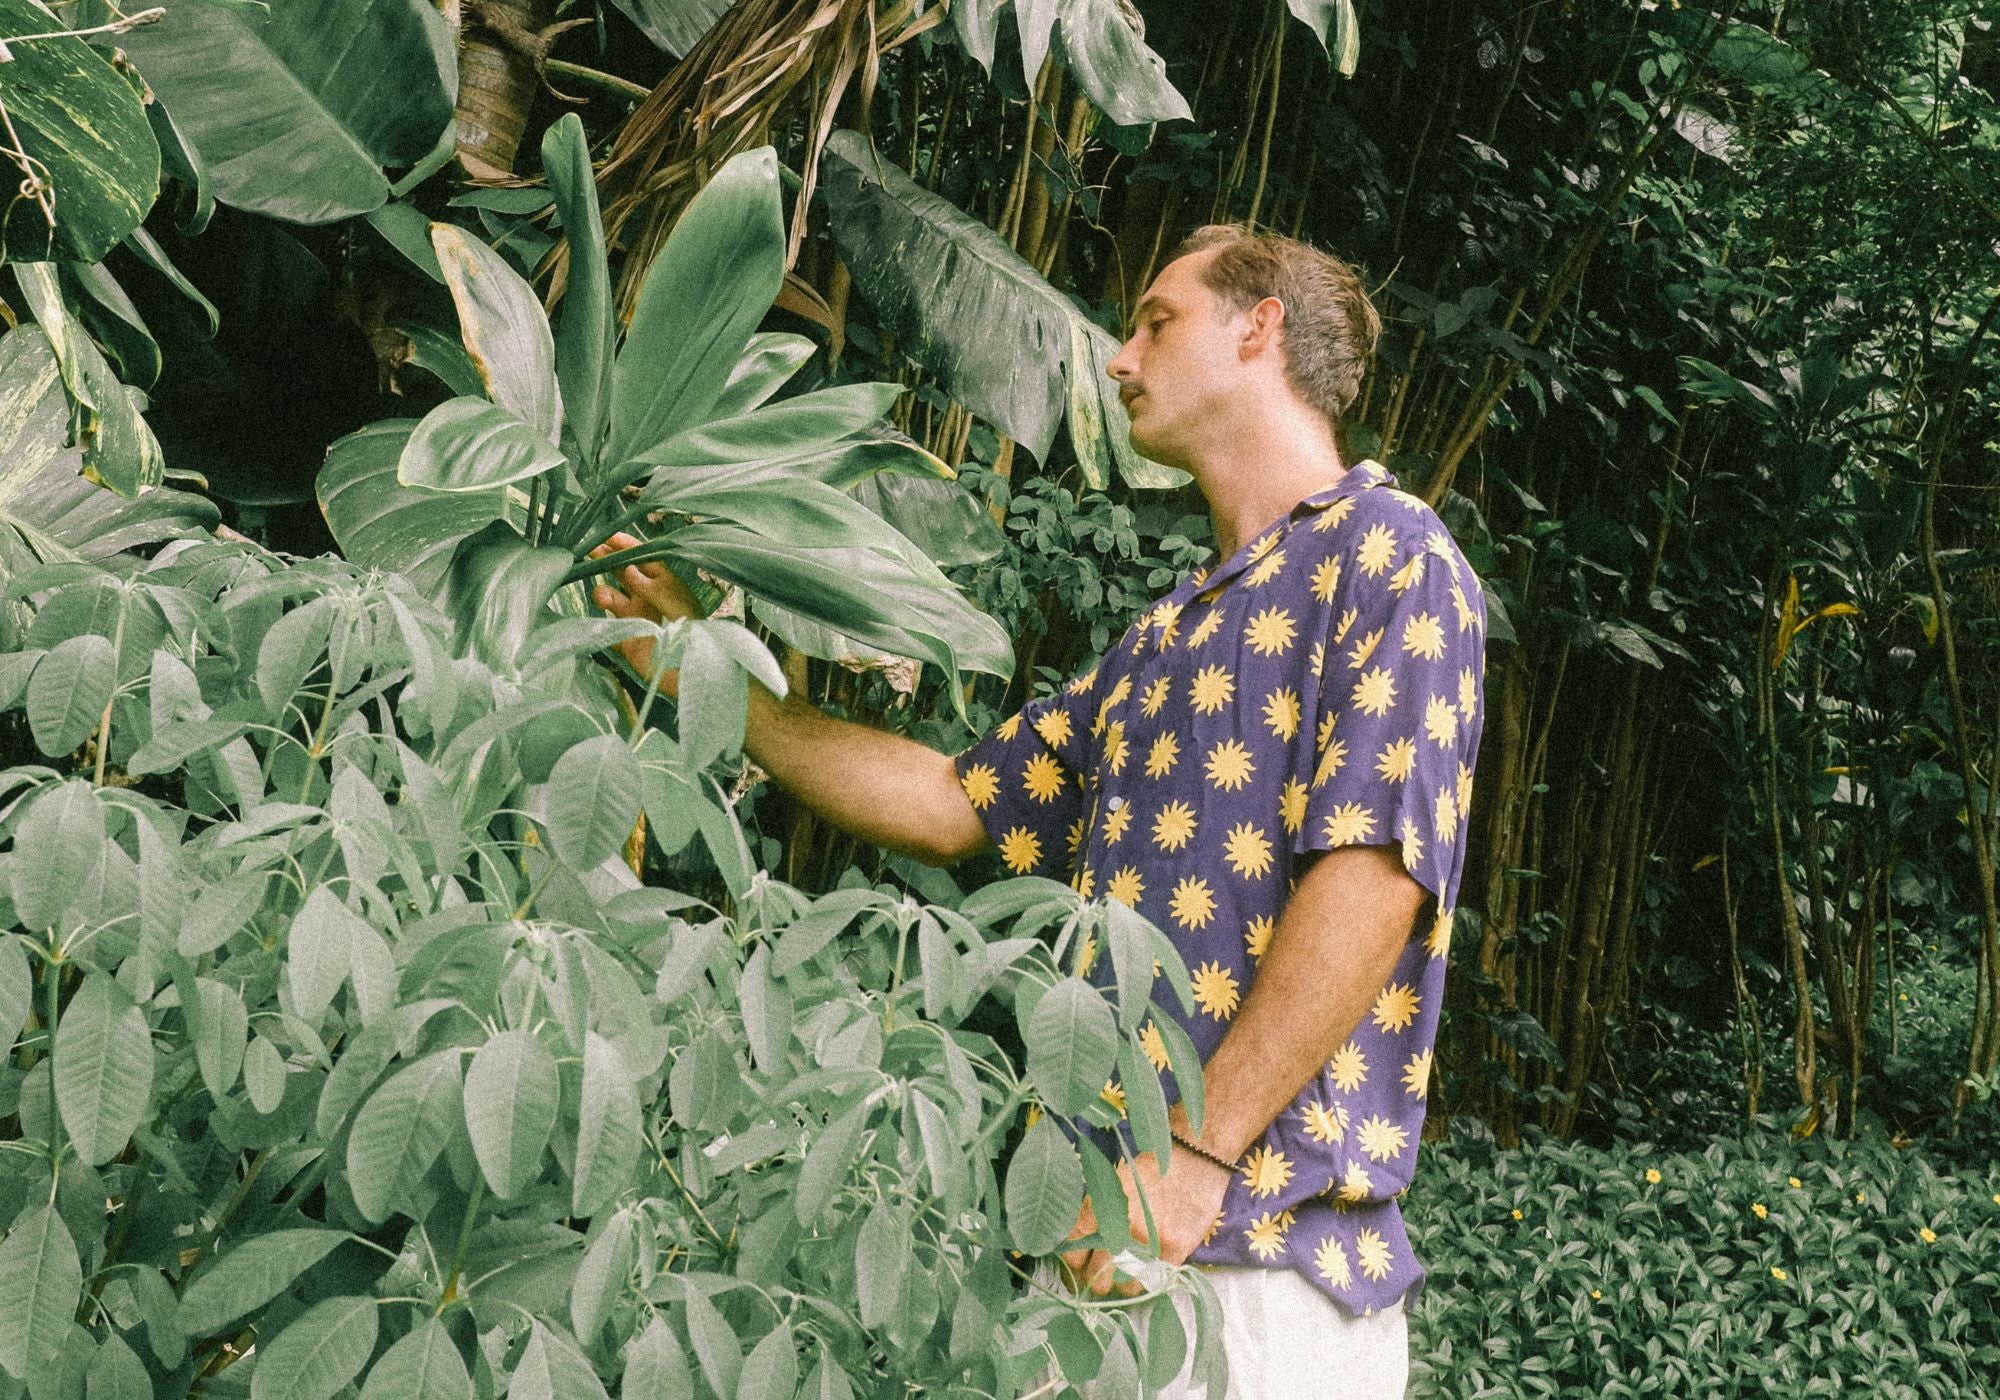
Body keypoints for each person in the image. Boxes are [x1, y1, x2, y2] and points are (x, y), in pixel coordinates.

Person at [592, 223, 1487, 1399]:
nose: (1118, 358)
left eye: (1156, 320)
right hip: (1094, 1242)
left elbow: (1375, 876)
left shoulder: (1391, 551)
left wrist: (1197, 1153)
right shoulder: (1163, 635)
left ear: (1257, 328)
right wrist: (704, 664)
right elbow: (948, 803)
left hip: (1260, 1256)